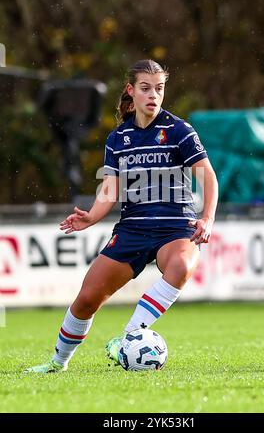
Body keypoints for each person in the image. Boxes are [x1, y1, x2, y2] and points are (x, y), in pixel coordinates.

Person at [25, 59, 218, 373]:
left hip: (175, 227)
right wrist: (92, 216)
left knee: (182, 265)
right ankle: (57, 363)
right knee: (87, 299)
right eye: (145, 88)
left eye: (159, 88)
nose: (153, 95)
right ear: (131, 91)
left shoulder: (179, 130)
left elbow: (208, 177)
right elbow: (109, 190)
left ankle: (129, 337)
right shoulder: (118, 138)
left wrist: (207, 218)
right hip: (133, 229)